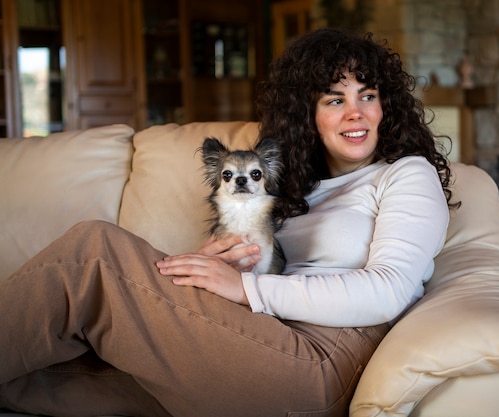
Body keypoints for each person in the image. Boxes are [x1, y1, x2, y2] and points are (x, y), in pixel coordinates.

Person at [0, 28, 455, 416]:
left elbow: (389, 290)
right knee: (40, 373)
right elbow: (263, 279)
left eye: (368, 96)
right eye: (335, 99)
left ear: (385, 105)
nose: (356, 112)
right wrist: (214, 269)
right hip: (259, 340)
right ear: (307, 116)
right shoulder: (297, 189)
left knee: (93, 252)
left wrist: (245, 289)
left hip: (319, 363)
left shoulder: (405, 174)